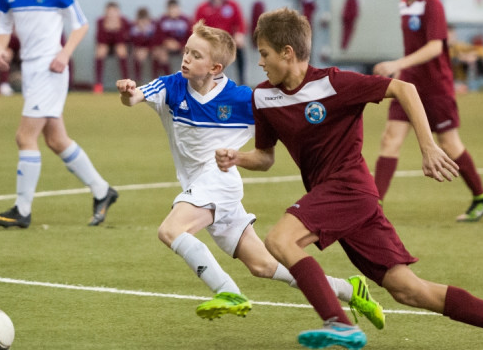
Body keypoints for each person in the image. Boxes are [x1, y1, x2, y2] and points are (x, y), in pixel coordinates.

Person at [216, 7, 483, 350]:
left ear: (288, 53)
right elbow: (266, 157)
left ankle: (338, 323)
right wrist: (238, 157)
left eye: (264, 54)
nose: (260, 63)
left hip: (348, 188)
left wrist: (427, 146)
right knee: (408, 289)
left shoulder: (334, 83)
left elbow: (405, 89)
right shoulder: (264, 97)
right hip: (346, 200)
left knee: (281, 239)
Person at [116, 20, 384, 328]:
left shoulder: (244, 99)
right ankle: (350, 289)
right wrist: (127, 91)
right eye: (187, 51)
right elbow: (135, 97)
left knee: (171, 230)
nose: (186, 58)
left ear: (216, 67)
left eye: (196, 55)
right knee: (263, 265)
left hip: (219, 178)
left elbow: (284, 112)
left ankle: (228, 292)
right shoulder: (171, 86)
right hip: (200, 187)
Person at [0, 0, 118, 228]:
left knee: (25, 137)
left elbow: (81, 25)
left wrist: (64, 54)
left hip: (52, 70)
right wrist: (1, 50)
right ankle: (102, 191)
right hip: (31, 71)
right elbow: (3, 25)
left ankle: (22, 211)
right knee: (56, 140)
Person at [372, 0, 483, 222]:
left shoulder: (433, 4)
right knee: (390, 139)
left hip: (436, 89)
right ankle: (373, 209)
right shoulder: (404, 4)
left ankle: (481, 197)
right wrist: (401, 70)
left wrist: (397, 63)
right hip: (407, 87)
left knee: (449, 144)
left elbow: (435, 48)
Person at [194, 0, 247, 85]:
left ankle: (242, 81)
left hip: (229, 41)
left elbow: (240, 23)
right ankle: (206, 82)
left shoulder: (233, 5)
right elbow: (197, 28)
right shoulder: (202, 8)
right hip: (211, 42)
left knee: (240, 48)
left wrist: (240, 34)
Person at [93, 1, 131, 93]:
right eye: (109, 12)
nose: (111, 14)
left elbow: (126, 39)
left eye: (114, 11)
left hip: (119, 45)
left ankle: (126, 83)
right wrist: (108, 29)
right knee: (100, 51)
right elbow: (99, 39)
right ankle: (98, 84)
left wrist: (117, 30)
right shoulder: (101, 21)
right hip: (106, 45)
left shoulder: (124, 21)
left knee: (121, 49)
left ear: (118, 12)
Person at [153, 0, 191, 78]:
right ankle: (167, 78)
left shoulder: (185, 20)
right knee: (159, 54)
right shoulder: (162, 20)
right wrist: (166, 42)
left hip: (182, 46)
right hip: (166, 47)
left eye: (175, 9)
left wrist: (180, 45)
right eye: (171, 9)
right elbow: (158, 36)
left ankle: (187, 78)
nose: (173, 11)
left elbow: (190, 37)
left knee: (188, 53)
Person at [128, 7, 158, 82]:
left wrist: (147, 49)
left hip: (151, 48)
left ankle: (156, 79)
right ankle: (137, 80)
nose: (144, 23)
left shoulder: (154, 27)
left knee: (158, 54)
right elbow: (132, 42)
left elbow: (156, 41)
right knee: (138, 55)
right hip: (138, 49)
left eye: (146, 21)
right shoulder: (134, 28)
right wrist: (141, 33)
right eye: (141, 21)